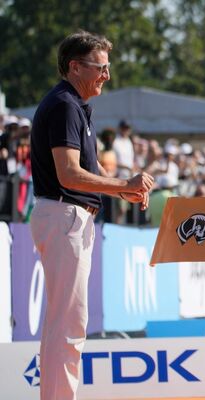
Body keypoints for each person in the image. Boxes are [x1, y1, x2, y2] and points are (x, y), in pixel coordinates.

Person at [29, 31, 154, 400]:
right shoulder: (66, 105)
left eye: (107, 67)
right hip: (65, 214)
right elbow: (69, 174)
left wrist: (124, 190)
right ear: (75, 67)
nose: (107, 75)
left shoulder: (74, 104)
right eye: (100, 68)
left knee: (65, 324)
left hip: (66, 215)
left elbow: (89, 168)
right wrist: (123, 184)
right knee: (68, 326)